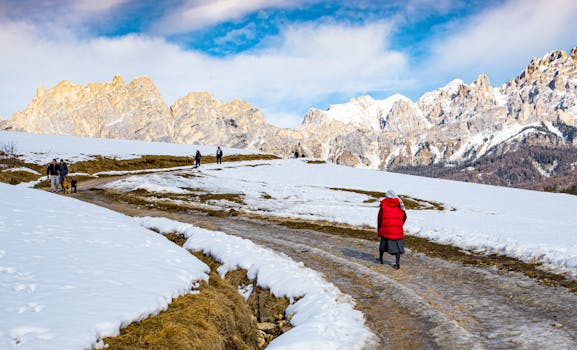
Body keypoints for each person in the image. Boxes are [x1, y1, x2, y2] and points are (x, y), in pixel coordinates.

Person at [377, 190, 407, 269]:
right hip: (397, 230)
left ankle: (380, 259)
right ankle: (397, 264)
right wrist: (399, 225)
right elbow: (404, 217)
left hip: (386, 229)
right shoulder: (400, 205)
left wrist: (380, 228)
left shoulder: (383, 205)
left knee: (383, 245)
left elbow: (380, 218)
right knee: (397, 247)